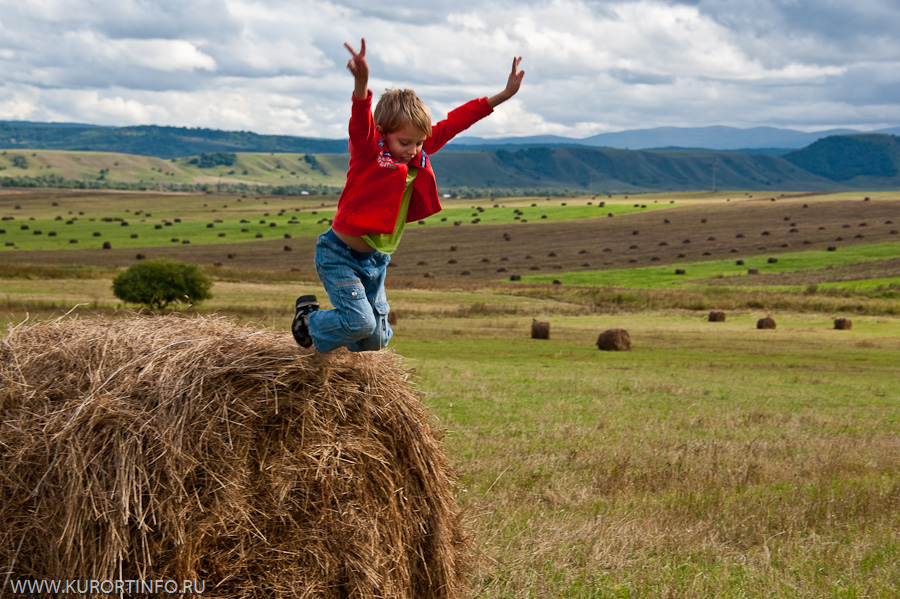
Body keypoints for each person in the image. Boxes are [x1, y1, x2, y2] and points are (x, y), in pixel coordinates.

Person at [292, 38, 524, 352]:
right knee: (361, 323)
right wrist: (361, 83)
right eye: (405, 143)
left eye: (418, 142)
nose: (413, 150)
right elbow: (360, 119)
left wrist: (503, 96)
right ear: (384, 131)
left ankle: (336, 346)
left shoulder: (418, 150)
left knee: (375, 341)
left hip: (376, 260)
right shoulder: (368, 152)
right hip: (340, 256)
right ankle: (309, 321)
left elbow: (457, 121)